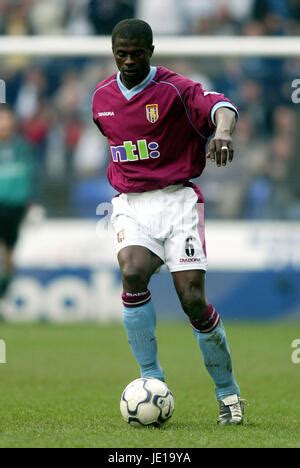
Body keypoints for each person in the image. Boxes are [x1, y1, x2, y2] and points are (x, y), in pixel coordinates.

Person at [92, 19, 244, 425]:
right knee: (133, 272)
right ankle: (151, 380)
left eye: (136, 53)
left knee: (192, 299)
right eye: (121, 53)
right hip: (131, 205)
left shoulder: (175, 89)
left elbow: (221, 106)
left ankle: (228, 395)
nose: (128, 60)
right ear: (113, 52)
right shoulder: (101, 98)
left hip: (178, 202)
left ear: (151, 50)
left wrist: (223, 133)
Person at [0, 105, 34, 307]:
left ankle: (2, 295)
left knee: (9, 258)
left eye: (6, 119)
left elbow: (31, 177)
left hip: (14, 209)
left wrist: (30, 202)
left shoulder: (22, 147)